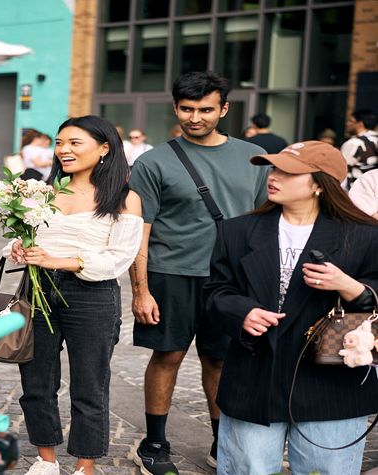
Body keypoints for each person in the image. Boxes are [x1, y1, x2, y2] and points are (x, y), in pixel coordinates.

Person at [203, 141, 378, 474]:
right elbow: (215, 291)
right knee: (246, 469)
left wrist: (348, 285)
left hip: (331, 382)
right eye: (274, 167)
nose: (274, 176)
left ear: (319, 184)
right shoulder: (238, 231)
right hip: (254, 378)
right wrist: (242, 312)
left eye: (288, 171)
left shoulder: (364, 236)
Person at [128, 71, 268, 474]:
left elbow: (263, 222)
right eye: (187, 109)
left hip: (231, 277)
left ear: (224, 109)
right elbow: (141, 229)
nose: (195, 117)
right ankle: (154, 444)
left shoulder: (253, 156)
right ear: (176, 108)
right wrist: (141, 290)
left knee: (221, 360)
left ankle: (221, 442)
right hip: (172, 272)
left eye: (206, 109)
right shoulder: (154, 161)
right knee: (168, 354)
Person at [7, 115, 142, 475]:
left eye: (74, 143)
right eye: (60, 142)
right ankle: (46, 460)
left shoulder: (124, 199)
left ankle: (85, 464)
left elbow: (118, 259)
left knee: (90, 382)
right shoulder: (42, 192)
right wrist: (20, 248)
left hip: (92, 295)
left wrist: (60, 260)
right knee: (35, 381)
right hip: (37, 288)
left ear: (104, 149)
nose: (63, 150)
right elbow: (26, 239)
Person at [340, 109, 378, 188]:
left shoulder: (353, 143)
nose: (347, 124)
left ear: (360, 124)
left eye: (351, 121)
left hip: (356, 191)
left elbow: (341, 170)